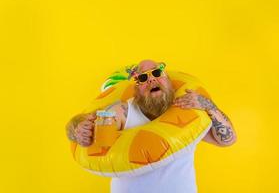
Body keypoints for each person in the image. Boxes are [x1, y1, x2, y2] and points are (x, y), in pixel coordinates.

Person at [66, 60, 237, 193]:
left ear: (168, 80)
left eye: (156, 72)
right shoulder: (123, 111)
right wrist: (76, 128)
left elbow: (227, 140)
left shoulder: (187, 108)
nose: (151, 79)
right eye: (143, 77)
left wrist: (210, 107)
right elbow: (88, 120)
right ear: (136, 89)